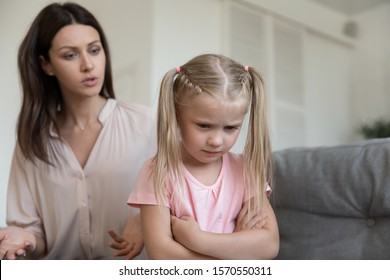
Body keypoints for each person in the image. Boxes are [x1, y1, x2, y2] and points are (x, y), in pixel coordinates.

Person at [0, 2, 155, 260]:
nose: (88, 65)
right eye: (70, 55)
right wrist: (24, 238)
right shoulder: (32, 142)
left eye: (94, 50)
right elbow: (34, 235)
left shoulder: (148, 124)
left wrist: (145, 218)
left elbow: (185, 202)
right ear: (46, 65)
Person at [128, 54, 279, 259]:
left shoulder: (245, 170)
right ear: (177, 116)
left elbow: (269, 245)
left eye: (230, 128)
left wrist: (197, 239)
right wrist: (238, 248)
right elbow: (162, 256)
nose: (216, 140)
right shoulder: (157, 171)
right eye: (204, 126)